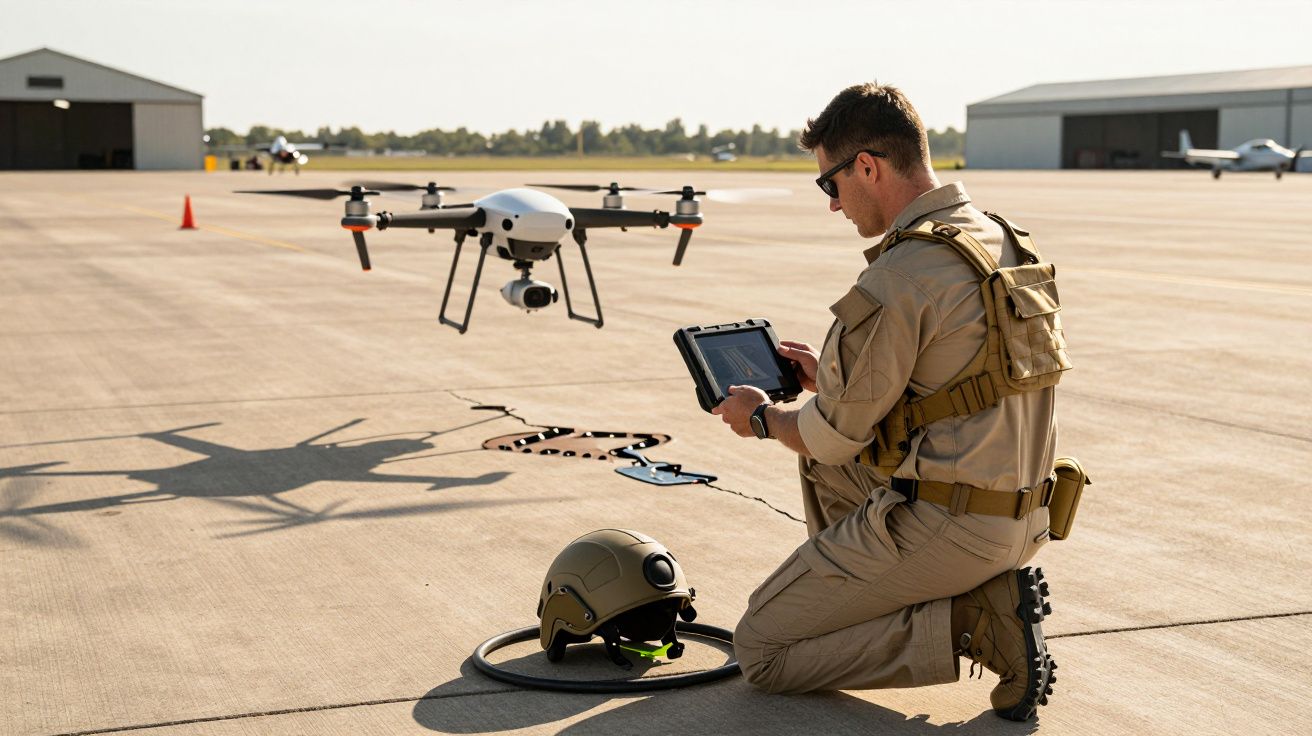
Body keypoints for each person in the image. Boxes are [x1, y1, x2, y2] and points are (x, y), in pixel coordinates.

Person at [710, 83, 1063, 721]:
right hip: (1027, 513)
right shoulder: (1001, 239)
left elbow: (828, 436)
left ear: (867, 166)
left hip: (956, 526)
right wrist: (833, 380)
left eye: (831, 185)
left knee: (762, 649)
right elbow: (969, 376)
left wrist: (760, 418)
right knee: (825, 467)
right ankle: (914, 595)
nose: (833, 205)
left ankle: (971, 621)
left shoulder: (900, 273)